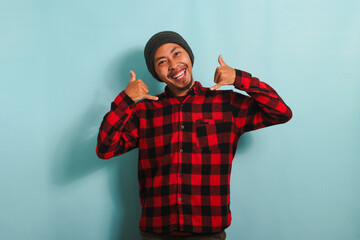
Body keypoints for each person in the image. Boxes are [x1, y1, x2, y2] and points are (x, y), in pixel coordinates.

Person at [96, 31, 292, 240]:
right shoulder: (144, 112)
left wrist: (239, 79)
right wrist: (126, 99)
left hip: (207, 230)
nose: (173, 64)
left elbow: (281, 112)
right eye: (162, 62)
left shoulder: (226, 105)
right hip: (157, 230)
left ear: (189, 56)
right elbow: (105, 149)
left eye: (177, 54)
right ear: (156, 73)